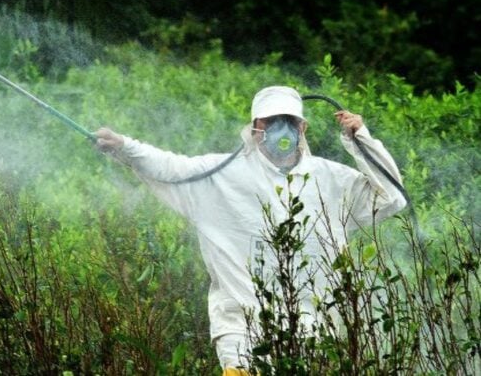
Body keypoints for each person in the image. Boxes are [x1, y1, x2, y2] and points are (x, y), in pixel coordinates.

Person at [95, 86, 406, 375]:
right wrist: (124, 146)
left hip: (314, 331)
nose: (280, 128)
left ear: (303, 128)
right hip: (239, 329)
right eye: (272, 120)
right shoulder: (222, 174)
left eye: (289, 121)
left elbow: (391, 197)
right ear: (256, 128)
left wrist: (360, 139)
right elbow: (170, 168)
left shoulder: (331, 179)